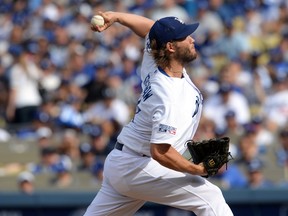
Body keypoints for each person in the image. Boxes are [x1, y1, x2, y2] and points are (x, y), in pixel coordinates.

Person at [84, 11, 233, 216]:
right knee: (210, 197)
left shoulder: (156, 62)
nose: (192, 39)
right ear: (171, 47)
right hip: (140, 166)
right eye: (185, 37)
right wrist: (197, 169)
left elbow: (152, 29)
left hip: (125, 161)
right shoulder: (168, 95)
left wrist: (117, 17)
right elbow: (160, 152)